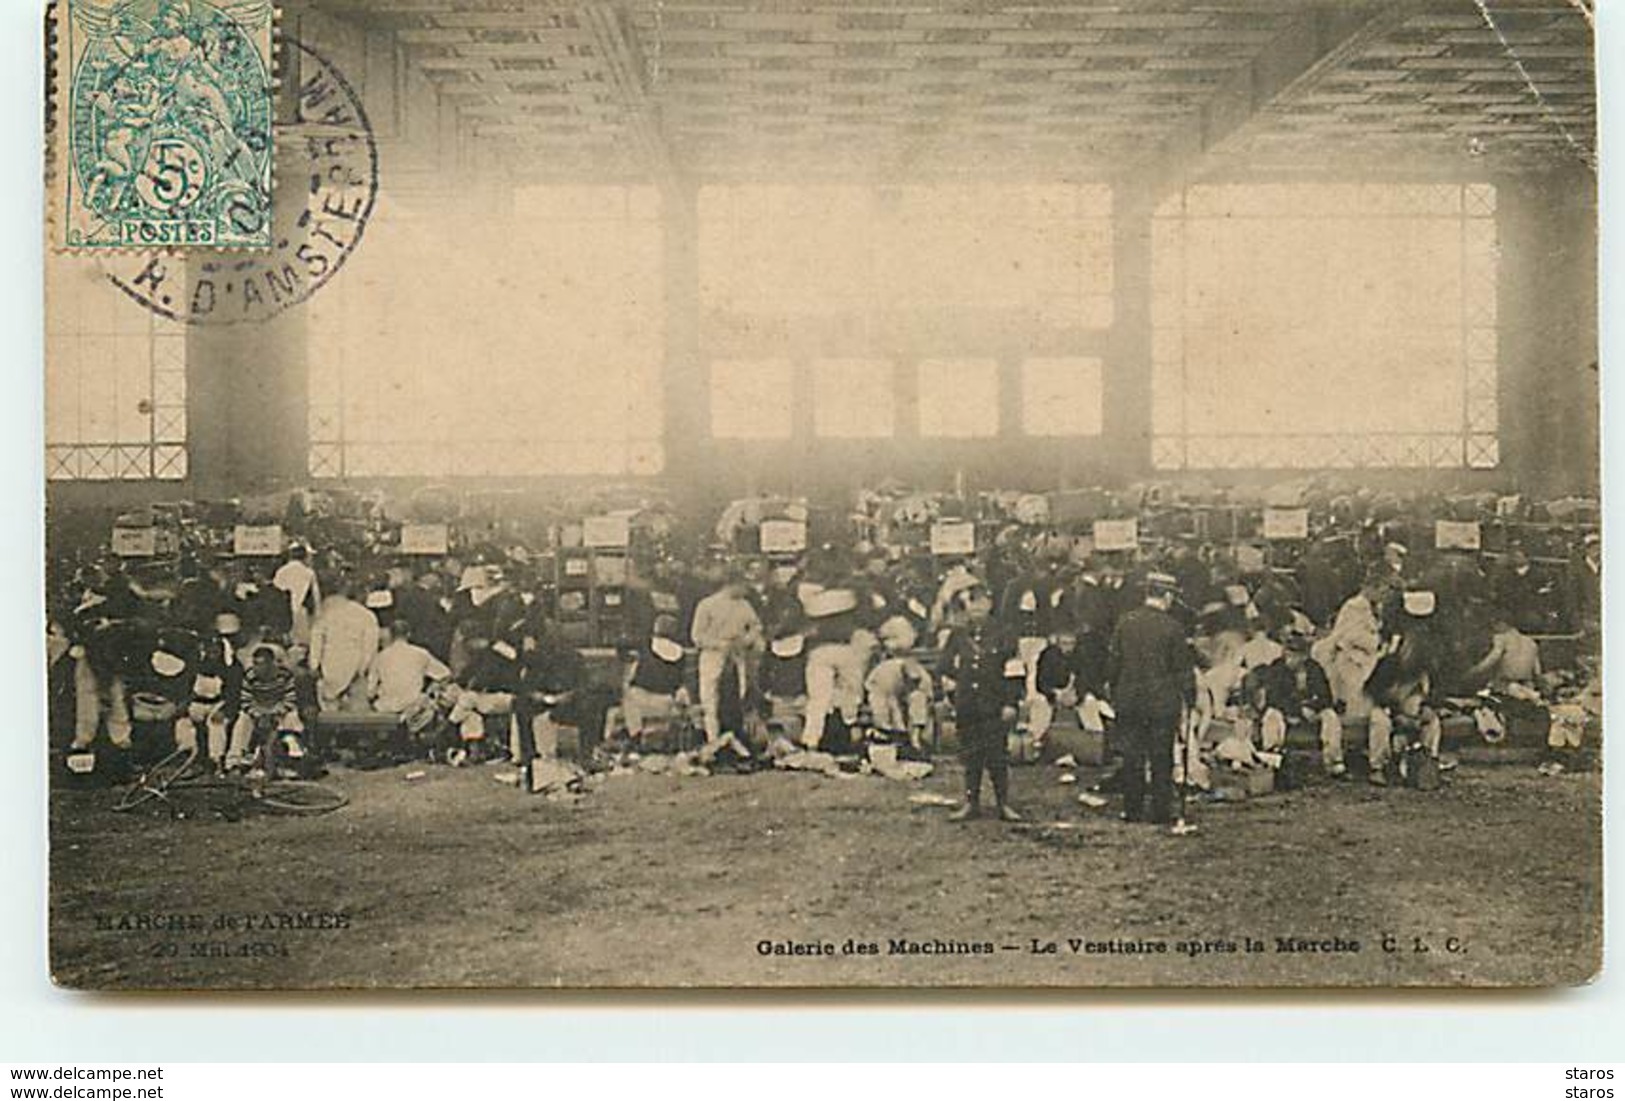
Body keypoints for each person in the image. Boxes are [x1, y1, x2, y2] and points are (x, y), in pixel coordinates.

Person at [1107, 573, 1197, 825]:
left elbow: (1113, 664)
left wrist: (1115, 692)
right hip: (1161, 704)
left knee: (1132, 757)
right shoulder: (1173, 628)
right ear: (1167, 596)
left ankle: (1132, 809)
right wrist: (1190, 697)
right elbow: (1182, 670)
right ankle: (1160, 810)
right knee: (1161, 758)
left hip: (1129, 701)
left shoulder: (1126, 622)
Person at [940, 583, 1024, 822]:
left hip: (994, 703)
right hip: (968, 703)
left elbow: (1014, 671)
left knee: (997, 755)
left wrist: (1010, 702)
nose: (976, 607)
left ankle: (1003, 804)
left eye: (981, 601)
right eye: (971, 602)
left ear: (989, 604)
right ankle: (971, 803)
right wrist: (960, 684)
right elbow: (944, 665)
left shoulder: (1004, 632)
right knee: (970, 755)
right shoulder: (958, 634)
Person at [1246, 634, 1344, 777]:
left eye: (1295, 654)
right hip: (1286, 710)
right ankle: (1272, 758)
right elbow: (1273, 698)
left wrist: (1313, 707)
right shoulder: (1278, 667)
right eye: (1288, 653)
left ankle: (1334, 761)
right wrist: (1297, 710)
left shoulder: (1314, 668)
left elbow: (1326, 696)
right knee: (1271, 716)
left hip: (1310, 710)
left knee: (1330, 716)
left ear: (1304, 656)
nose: (1290, 658)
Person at [689, 572, 763, 748]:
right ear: (731, 583)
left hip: (737, 655)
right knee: (710, 696)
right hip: (713, 655)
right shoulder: (707, 604)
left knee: (739, 694)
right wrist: (719, 644)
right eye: (743, 586)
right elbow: (697, 636)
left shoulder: (744, 605)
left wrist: (746, 640)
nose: (745, 590)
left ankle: (735, 737)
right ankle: (712, 739)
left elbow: (756, 626)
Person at [225, 645, 304, 772]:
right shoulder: (249, 676)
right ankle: (234, 761)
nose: (257, 668)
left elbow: (290, 700)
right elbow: (245, 701)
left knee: (292, 717)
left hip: (279, 707)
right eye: (255, 663)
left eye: (261, 664)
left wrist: (275, 714)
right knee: (242, 720)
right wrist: (258, 714)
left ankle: (294, 758)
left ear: (271, 663)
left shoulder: (286, 675)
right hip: (258, 707)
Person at [1029, 625, 1108, 746]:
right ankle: (1036, 741)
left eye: (1071, 643)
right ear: (1058, 643)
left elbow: (1086, 680)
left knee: (1090, 702)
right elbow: (1041, 683)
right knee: (1039, 702)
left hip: (1074, 695)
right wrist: (1055, 693)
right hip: (1053, 695)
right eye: (1065, 643)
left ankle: (1096, 742)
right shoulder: (1048, 656)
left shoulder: (1082, 655)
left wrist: (1077, 694)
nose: (1068, 647)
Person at [308, 581, 381, 712]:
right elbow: (370, 648)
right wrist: (362, 670)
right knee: (355, 717)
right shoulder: (368, 616)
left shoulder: (329, 613)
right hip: (355, 670)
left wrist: (315, 665)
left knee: (329, 715)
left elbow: (316, 639)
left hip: (330, 667)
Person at [618, 613, 690, 745]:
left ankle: (635, 734)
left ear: (655, 628)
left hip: (642, 699)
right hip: (667, 700)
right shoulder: (681, 653)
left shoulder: (645, 644)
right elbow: (680, 680)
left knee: (628, 695)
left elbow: (621, 645)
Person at [369, 619, 451, 734]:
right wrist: (431, 689)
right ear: (409, 634)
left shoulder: (380, 656)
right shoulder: (420, 654)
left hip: (386, 705)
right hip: (413, 704)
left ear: (391, 635)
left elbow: (370, 690)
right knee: (430, 706)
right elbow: (445, 674)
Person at [864, 615, 933, 750]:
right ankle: (892, 733)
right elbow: (874, 684)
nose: (889, 644)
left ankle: (914, 738)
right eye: (887, 640)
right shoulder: (879, 661)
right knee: (885, 699)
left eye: (894, 639)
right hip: (885, 692)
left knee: (917, 698)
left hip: (911, 691)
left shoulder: (910, 661)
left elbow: (918, 681)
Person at [272, 544, 321, 646]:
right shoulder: (309, 573)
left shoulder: (281, 571)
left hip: (283, 613)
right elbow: (315, 597)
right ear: (305, 557)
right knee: (303, 643)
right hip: (302, 613)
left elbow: (275, 593)